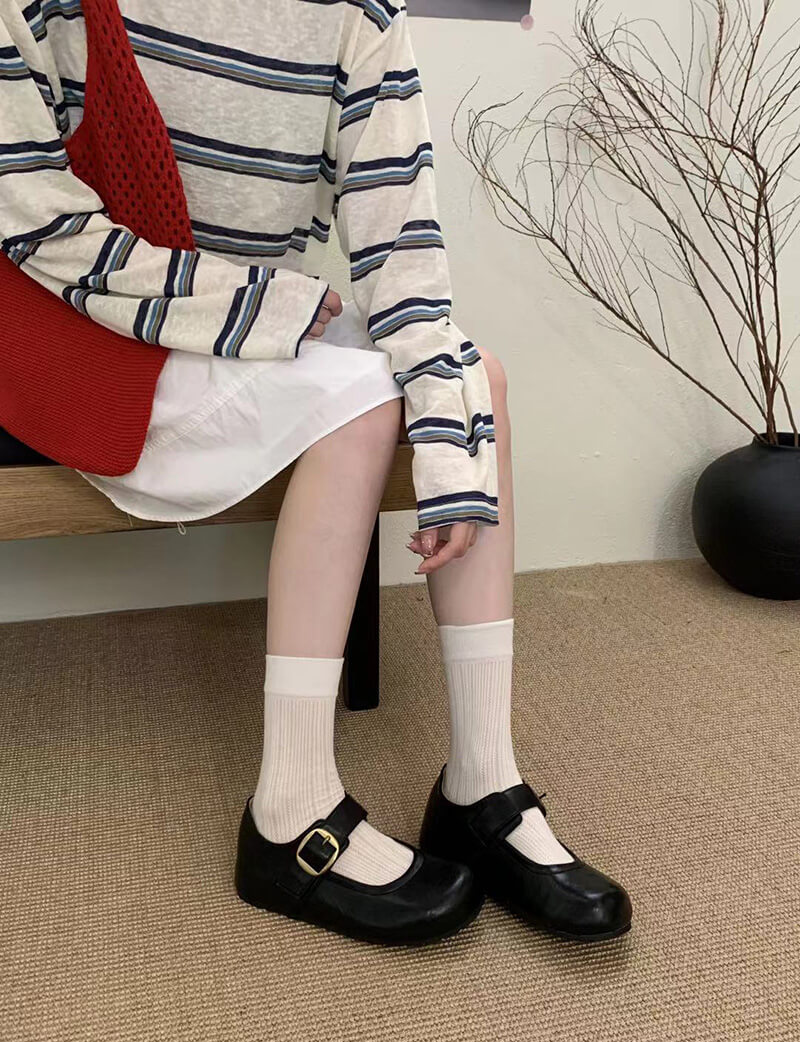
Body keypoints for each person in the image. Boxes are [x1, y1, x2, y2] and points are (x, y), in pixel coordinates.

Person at [0, 0, 631, 945]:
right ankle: (288, 809)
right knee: (366, 402)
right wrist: (258, 307)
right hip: (82, 326)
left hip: (249, 328)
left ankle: (481, 783)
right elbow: (29, 212)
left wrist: (449, 444)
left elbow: (402, 249)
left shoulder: (359, 17)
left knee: (478, 379)